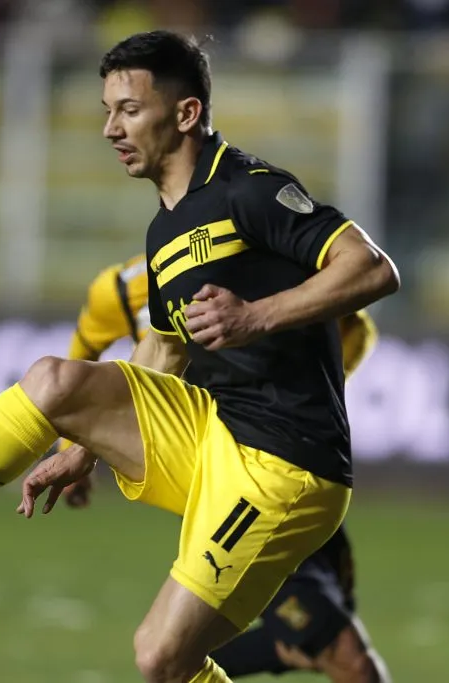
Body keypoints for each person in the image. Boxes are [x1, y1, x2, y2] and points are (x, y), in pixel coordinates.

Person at [0, 30, 399, 683]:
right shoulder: (165, 229)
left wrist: (258, 314)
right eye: (107, 110)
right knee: (54, 381)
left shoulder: (251, 189)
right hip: (216, 431)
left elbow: (372, 267)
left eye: (128, 109)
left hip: (286, 466)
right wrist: (86, 446)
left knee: (161, 656)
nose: (110, 128)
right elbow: (163, 346)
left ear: (186, 114)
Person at [62, 254, 389, 682]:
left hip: (294, 464)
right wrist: (73, 447)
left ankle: (254, 652)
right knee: (347, 655)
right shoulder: (127, 286)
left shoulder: (276, 247)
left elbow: (355, 324)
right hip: (239, 487)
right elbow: (86, 349)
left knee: (327, 641)